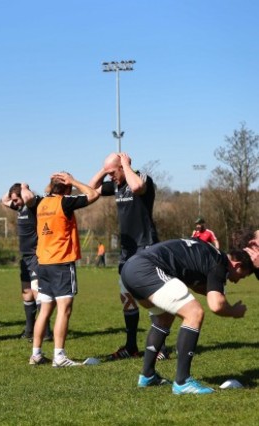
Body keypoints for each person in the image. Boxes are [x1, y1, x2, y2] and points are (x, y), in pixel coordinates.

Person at [121, 238, 251, 394]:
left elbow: (197, 285)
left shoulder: (208, 252)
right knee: (194, 313)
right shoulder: (220, 264)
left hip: (130, 269)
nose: (237, 281)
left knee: (164, 317)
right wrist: (234, 311)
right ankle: (182, 381)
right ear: (237, 265)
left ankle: (147, 375)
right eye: (241, 276)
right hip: (147, 269)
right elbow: (216, 306)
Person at [89, 152, 162, 361]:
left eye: (113, 172)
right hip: (127, 251)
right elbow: (91, 188)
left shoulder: (142, 178)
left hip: (146, 247)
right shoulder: (116, 186)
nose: (110, 177)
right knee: (126, 296)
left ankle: (160, 346)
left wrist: (126, 166)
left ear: (123, 166)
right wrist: (105, 169)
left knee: (151, 297)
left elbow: (138, 187)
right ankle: (131, 346)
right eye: (108, 173)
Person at [29, 172, 99, 367]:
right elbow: (93, 194)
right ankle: (59, 356)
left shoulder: (41, 203)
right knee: (64, 309)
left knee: (44, 310)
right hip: (61, 262)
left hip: (43, 262)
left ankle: (36, 354)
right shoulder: (65, 203)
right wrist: (74, 181)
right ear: (67, 188)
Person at [2, 182, 51, 340]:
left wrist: (24, 187)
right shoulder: (19, 207)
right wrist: (13, 193)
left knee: (38, 294)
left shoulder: (32, 205)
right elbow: (4, 200)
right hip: (25, 257)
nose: (13, 203)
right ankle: (29, 330)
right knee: (27, 294)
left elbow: (28, 197)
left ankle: (46, 332)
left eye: (16, 200)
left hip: (36, 256)